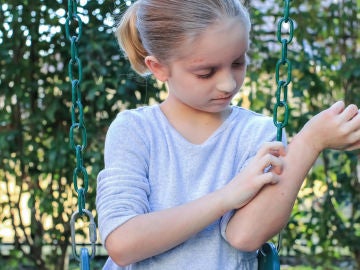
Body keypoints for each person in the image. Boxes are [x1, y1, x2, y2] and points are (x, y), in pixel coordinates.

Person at [96, 0, 360, 269]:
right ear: (159, 68)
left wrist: (309, 142)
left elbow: (244, 236)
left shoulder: (257, 133)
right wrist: (228, 196)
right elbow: (122, 244)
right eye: (206, 72)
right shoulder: (135, 131)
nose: (228, 83)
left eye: (238, 62)